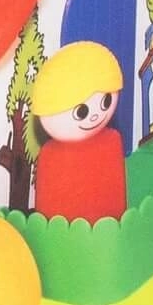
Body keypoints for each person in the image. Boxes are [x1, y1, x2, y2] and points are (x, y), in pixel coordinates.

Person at [31, 42, 127, 224]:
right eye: (81, 112)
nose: (96, 115)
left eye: (105, 101)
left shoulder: (112, 140)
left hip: (110, 229)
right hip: (61, 233)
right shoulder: (52, 154)